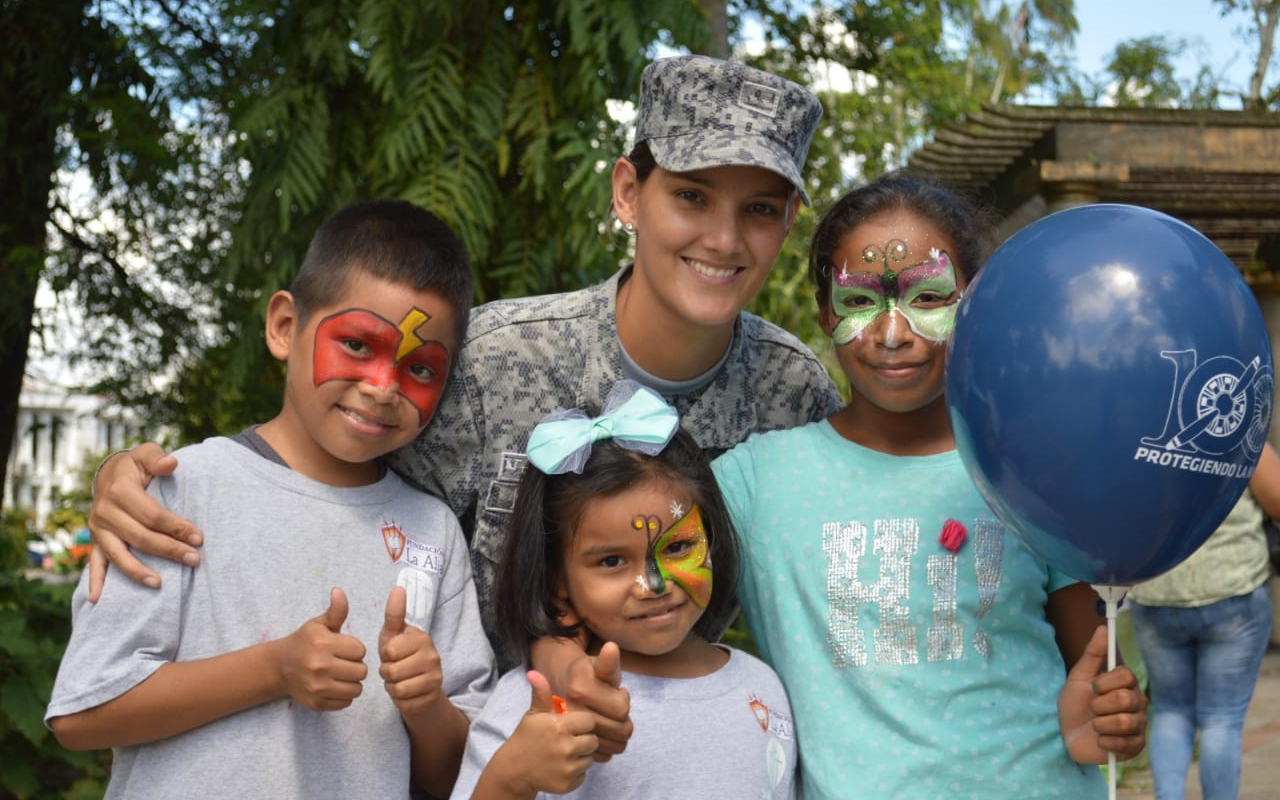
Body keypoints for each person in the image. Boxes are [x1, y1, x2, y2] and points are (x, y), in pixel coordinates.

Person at [84, 54, 841, 753]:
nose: (722, 236)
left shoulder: (793, 393)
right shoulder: (493, 359)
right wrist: (141, 475)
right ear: (626, 193)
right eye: (691, 194)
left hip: (686, 752)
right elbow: (332, 472)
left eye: (762, 210)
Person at [709, 173, 1149, 799]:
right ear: (824, 312)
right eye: (860, 303)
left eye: (930, 297)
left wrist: (1115, 718)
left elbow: (1105, 676)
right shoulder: (753, 485)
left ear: (975, 301)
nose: (894, 334)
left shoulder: (1033, 471)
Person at [46, 200, 497, 799]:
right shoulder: (177, 492)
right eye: (358, 346)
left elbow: (456, 781)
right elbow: (83, 713)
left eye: (420, 368)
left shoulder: (433, 531)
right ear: (285, 326)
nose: (383, 387)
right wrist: (274, 669)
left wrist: (427, 706)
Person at [449, 380, 798, 800]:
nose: (654, 584)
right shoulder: (537, 706)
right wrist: (511, 777)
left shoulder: (763, 687)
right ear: (558, 583)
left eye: (680, 546)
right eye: (611, 561)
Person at [1126, 441, 1280, 800]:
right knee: (1222, 718)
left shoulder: (1138, 432)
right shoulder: (1237, 431)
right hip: (1232, 587)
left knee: (1169, 709)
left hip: (1156, 589)